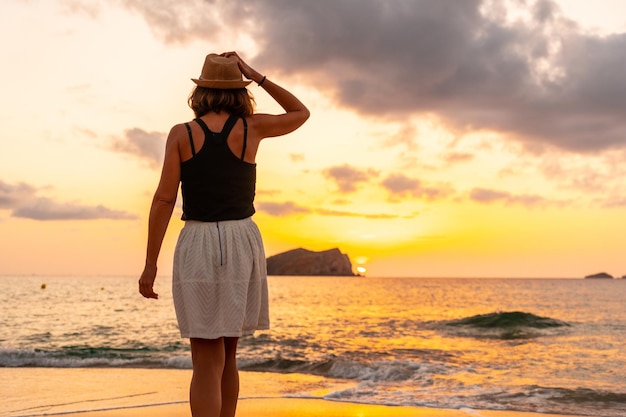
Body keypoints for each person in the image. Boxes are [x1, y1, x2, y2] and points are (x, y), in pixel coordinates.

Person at [138, 51, 309, 417]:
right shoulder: (252, 128)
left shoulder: (182, 134)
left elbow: (164, 198)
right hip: (241, 240)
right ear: (239, 91)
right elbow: (300, 113)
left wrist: (150, 263)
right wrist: (256, 75)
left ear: (200, 91)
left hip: (198, 240)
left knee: (205, 358)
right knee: (228, 353)